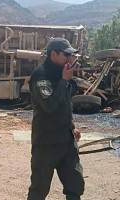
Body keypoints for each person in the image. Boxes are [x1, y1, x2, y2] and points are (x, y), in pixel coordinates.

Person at [27, 38, 84, 200]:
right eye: (66, 55)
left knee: (75, 184)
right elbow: (50, 106)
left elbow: (65, 106)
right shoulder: (41, 75)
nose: (70, 59)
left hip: (66, 141)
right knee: (39, 189)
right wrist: (64, 80)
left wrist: (72, 127)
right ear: (54, 54)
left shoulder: (63, 73)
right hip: (46, 142)